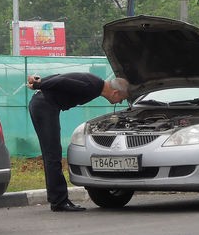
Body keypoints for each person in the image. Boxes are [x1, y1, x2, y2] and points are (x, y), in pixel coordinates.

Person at [27, 72, 129, 212]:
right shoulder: (92, 86)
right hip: (44, 105)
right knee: (53, 154)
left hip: (43, 104)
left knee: (51, 153)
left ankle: (57, 200)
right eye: (122, 99)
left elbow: (60, 76)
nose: (120, 102)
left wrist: (41, 81)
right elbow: (61, 81)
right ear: (115, 92)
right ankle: (59, 202)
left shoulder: (95, 83)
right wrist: (38, 84)